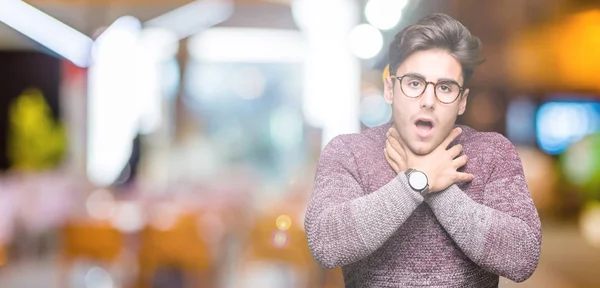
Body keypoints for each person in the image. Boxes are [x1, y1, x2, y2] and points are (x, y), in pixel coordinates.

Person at [304, 13, 541, 287]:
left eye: (445, 87)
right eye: (414, 83)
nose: (428, 101)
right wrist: (417, 182)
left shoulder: (493, 153)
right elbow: (325, 244)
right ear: (390, 89)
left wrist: (440, 192)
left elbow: (523, 257)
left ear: (462, 101)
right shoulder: (348, 152)